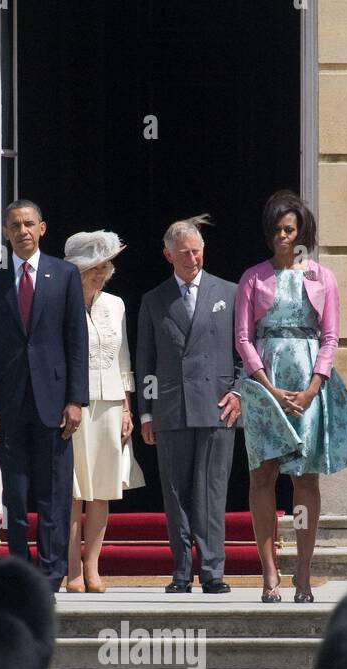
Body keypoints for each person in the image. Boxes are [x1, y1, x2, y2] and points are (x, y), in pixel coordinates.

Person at [235, 191, 347, 602]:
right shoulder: (252, 277)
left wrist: (313, 387)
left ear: (302, 232)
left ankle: (304, 574)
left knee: (304, 478)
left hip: (310, 385)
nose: (282, 236)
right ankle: (269, 572)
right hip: (264, 385)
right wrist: (268, 387)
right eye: (276, 230)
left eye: (289, 229)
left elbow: (330, 336)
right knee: (262, 475)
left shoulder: (322, 276)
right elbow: (242, 337)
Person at [0, 200, 89, 591]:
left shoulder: (65, 274)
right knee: (16, 496)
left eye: (28, 224)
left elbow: (76, 341)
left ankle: (52, 575)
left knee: (54, 495)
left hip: (55, 404)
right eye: (14, 225)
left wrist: (76, 400)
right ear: (6, 232)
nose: (22, 231)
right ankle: (20, 576)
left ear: (42, 228)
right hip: (7, 406)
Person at [135, 215, 241, 595]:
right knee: (175, 492)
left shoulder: (229, 293)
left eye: (196, 251)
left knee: (212, 490)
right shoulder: (154, 299)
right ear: (168, 255)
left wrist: (240, 392)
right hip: (171, 409)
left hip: (217, 407)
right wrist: (146, 412)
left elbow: (244, 350)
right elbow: (144, 362)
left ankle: (213, 570)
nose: (192, 259)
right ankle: (181, 571)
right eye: (184, 254)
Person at [63, 231, 144, 593]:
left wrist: (128, 408)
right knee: (74, 490)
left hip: (111, 404)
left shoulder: (116, 304)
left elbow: (124, 359)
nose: (102, 273)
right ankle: (72, 570)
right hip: (73, 407)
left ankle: (92, 566)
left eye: (105, 266)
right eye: (94, 267)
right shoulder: (59, 303)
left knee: (102, 490)